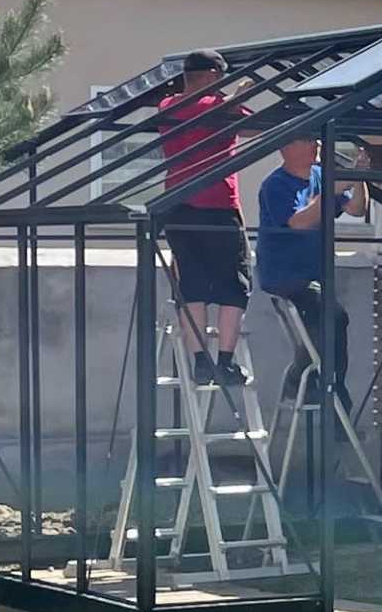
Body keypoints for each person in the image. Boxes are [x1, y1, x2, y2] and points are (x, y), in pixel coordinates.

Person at [152, 50, 251, 387]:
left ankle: (199, 363)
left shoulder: (167, 107)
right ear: (211, 76)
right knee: (234, 286)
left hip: (177, 206)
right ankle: (225, 362)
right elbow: (251, 127)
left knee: (191, 284)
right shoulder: (219, 107)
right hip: (217, 206)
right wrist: (240, 97)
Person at [255, 132, 359, 398]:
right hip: (286, 275)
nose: (316, 144)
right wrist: (330, 192)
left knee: (335, 322)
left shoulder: (321, 175)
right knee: (329, 317)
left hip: (316, 274)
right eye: (307, 139)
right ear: (286, 147)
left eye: (316, 139)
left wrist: (360, 176)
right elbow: (298, 223)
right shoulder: (275, 185)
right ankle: (304, 377)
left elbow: (357, 209)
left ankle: (331, 386)